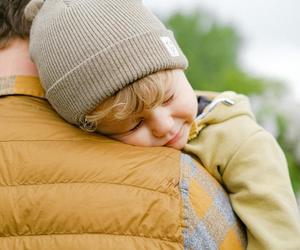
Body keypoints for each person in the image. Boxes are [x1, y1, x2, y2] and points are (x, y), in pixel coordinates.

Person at [25, 0, 300, 249]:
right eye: (133, 125)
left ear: (181, 69)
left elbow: (279, 238)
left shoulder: (241, 145)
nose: (163, 126)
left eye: (168, 97)